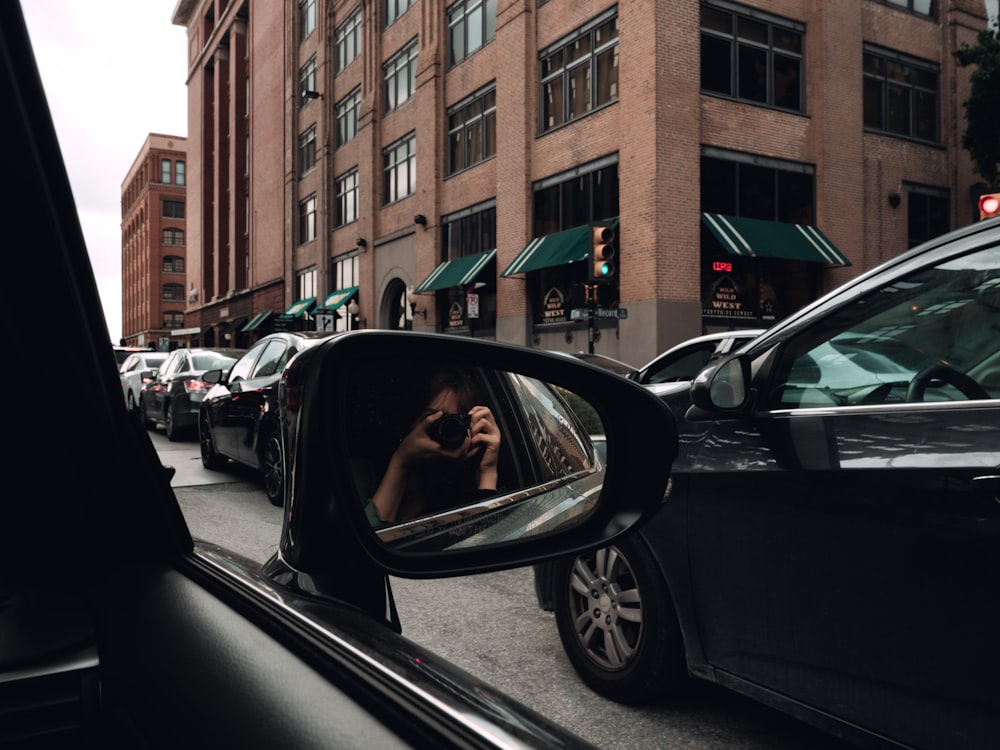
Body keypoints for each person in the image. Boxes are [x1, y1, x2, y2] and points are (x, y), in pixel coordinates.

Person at [365, 367, 501, 526]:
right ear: (410, 421)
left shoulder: (464, 496)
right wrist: (400, 462)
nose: (447, 430)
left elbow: (487, 536)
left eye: (456, 421)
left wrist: (488, 472)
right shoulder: (363, 476)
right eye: (434, 418)